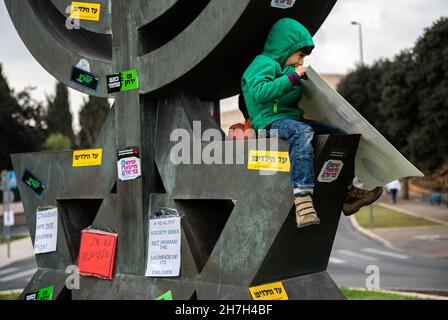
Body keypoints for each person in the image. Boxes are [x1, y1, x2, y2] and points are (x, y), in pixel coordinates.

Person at [241, 18, 383, 228]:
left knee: (339, 136)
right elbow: (260, 93)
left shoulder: (288, 70)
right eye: (300, 56)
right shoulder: (262, 64)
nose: (301, 61)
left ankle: (347, 193)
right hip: (269, 122)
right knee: (302, 131)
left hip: (291, 119)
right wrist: (293, 78)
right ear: (285, 48)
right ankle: (302, 199)